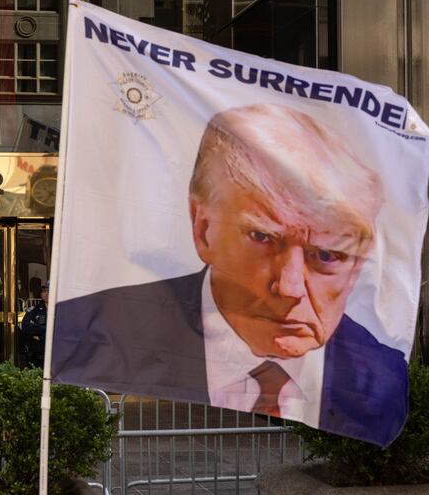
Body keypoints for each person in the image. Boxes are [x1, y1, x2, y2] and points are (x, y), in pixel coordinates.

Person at [52, 103, 408, 447]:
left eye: (327, 255)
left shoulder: (382, 376)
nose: (289, 286)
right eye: (263, 238)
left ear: (358, 265)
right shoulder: (94, 326)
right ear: (203, 228)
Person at [21, 282, 49, 368]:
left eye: (49, 291)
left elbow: (61, 330)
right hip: (39, 357)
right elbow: (25, 326)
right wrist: (45, 329)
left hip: (57, 356)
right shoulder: (35, 309)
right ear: (41, 294)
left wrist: (40, 336)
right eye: (44, 291)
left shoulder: (61, 310)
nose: (47, 293)